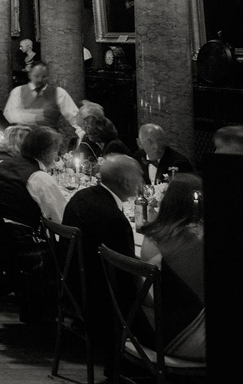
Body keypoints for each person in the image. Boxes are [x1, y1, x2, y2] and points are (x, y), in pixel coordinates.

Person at [61, 154, 142, 371]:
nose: (141, 182)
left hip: (71, 284)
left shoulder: (82, 196)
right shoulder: (114, 219)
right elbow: (125, 280)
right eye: (139, 177)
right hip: (97, 299)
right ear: (126, 182)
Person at [139, 173, 206, 362]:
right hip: (182, 337)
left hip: (151, 328)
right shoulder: (196, 239)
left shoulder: (152, 235)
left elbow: (149, 297)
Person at [0, 126, 67, 226]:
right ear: (46, 153)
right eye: (55, 151)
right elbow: (62, 220)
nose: (56, 156)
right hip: (24, 239)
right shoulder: (40, 179)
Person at [3, 61, 80, 146]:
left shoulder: (59, 93)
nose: (40, 80)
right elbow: (10, 115)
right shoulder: (18, 91)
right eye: (36, 76)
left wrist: (82, 135)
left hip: (49, 143)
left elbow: (75, 117)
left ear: (48, 76)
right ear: (30, 75)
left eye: (44, 77)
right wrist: (36, 116)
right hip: (23, 142)